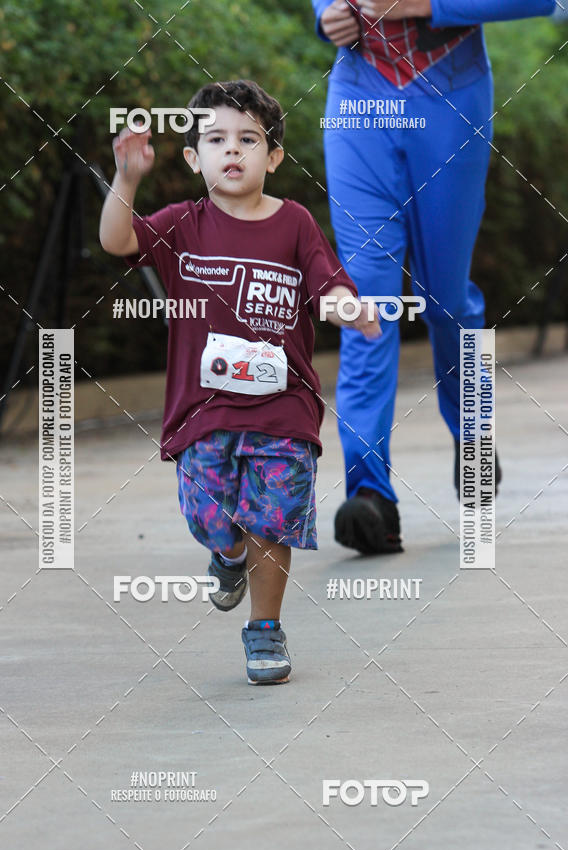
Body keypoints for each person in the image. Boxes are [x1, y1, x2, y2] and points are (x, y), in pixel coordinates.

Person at [99, 80, 380, 685]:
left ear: (273, 156)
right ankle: (225, 555)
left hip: (285, 407)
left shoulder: (295, 223)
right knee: (213, 518)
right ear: (194, 159)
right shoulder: (183, 225)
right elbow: (116, 240)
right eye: (217, 140)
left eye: (248, 139)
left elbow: (328, 284)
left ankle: (265, 628)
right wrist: (126, 179)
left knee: (272, 518)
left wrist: (348, 310)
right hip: (203, 411)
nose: (233, 151)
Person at [312, 0, 554, 555]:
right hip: (359, 93)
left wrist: (428, 4)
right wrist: (326, 12)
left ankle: (473, 431)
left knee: (444, 298)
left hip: (450, 93)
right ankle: (370, 496)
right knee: (364, 303)